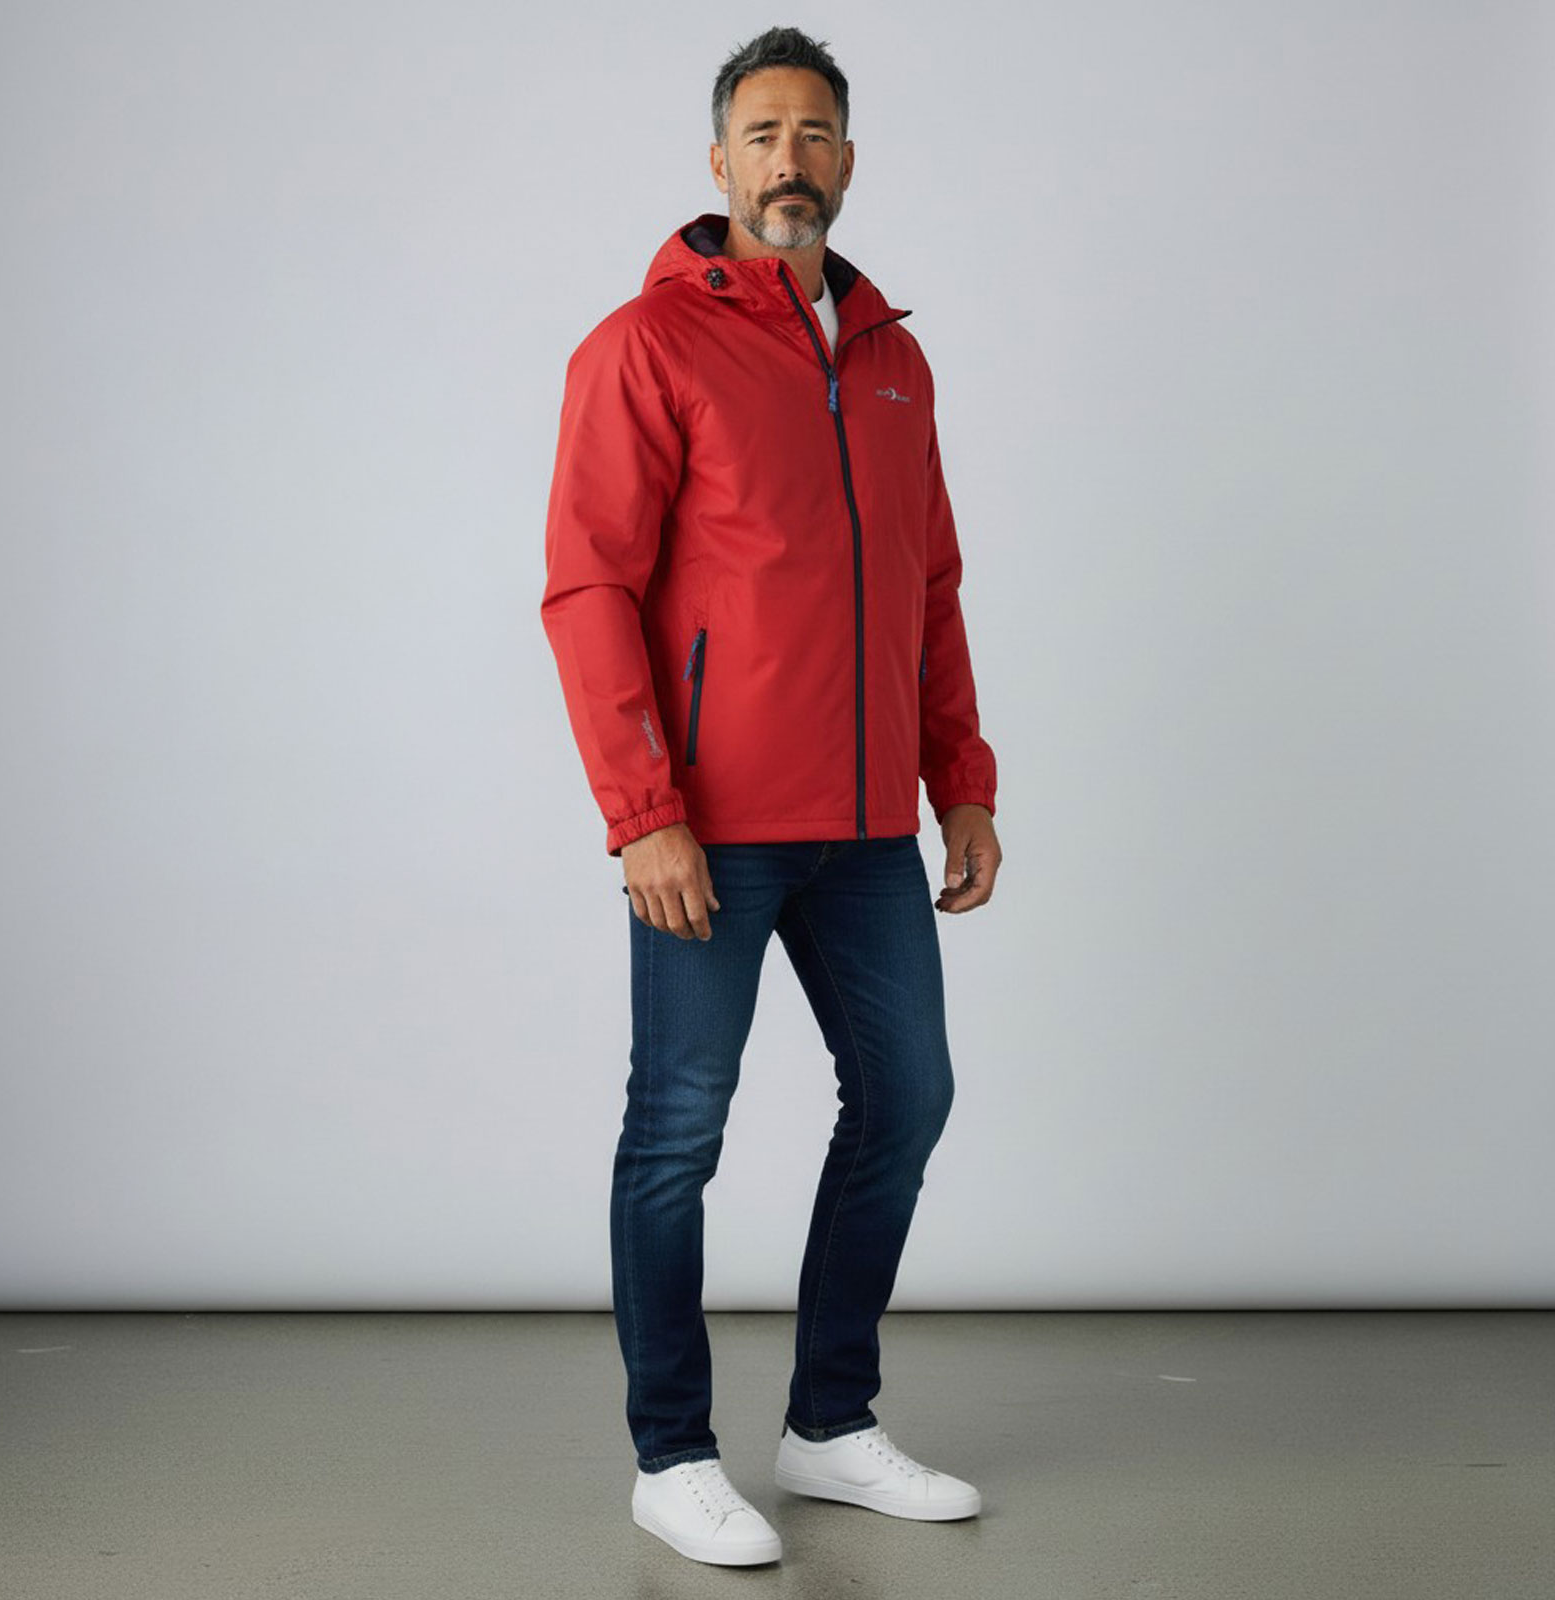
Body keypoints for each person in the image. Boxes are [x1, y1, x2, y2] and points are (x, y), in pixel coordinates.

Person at [540, 25, 1001, 1568]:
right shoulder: (644, 347)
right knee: (678, 1130)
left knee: (909, 1098)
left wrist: (962, 782)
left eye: (814, 134)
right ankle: (672, 1455)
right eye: (761, 134)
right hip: (710, 827)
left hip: (868, 831)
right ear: (719, 163)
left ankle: (829, 1425)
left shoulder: (893, 360)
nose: (789, 159)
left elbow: (929, 587)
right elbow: (590, 590)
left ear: (848, 161)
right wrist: (642, 811)